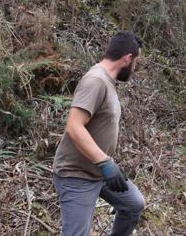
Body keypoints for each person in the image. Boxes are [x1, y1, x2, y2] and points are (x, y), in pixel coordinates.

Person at [52, 31, 145, 236]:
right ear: (127, 58)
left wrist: (105, 165)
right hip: (77, 174)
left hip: (99, 172)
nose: (134, 68)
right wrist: (105, 162)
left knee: (133, 205)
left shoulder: (107, 82)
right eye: (135, 62)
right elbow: (74, 126)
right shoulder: (96, 80)